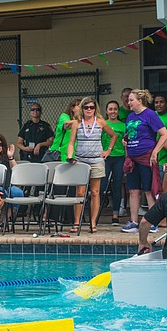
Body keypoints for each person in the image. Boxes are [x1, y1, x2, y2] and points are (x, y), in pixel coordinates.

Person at [66, 96, 116, 233]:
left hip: (96, 160)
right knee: (80, 192)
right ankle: (77, 222)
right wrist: (70, 156)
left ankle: (93, 223)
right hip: (81, 160)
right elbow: (71, 143)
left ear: (95, 109)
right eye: (86, 107)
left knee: (95, 192)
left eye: (91, 107)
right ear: (82, 109)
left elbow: (114, 135)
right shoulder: (77, 123)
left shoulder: (100, 122)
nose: (89, 110)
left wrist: (108, 150)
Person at [122, 89, 167, 234]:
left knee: (149, 190)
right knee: (133, 190)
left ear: (139, 101)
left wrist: (155, 152)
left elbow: (164, 134)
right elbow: (130, 134)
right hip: (132, 156)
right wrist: (125, 141)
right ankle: (134, 221)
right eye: (128, 100)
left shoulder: (150, 114)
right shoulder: (130, 116)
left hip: (146, 156)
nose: (128, 102)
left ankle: (152, 222)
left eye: (131, 100)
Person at [101, 100, 126, 224]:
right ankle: (97, 212)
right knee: (102, 185)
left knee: (117, 185)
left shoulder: (123, 125)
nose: (113, 111)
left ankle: (115, 214)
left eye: (115, 109)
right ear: (106, 111)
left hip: (119, 157)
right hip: (105, 158)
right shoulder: (103, 124)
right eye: (110, 109)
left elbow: (126, 142)